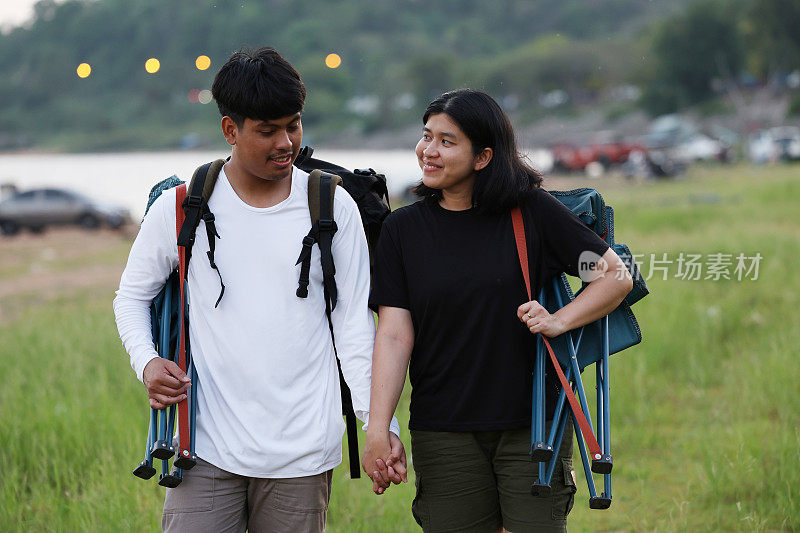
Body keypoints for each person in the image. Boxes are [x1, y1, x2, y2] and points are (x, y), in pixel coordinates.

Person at [113, 46, 403, 532]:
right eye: (268, 131)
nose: (286, 142)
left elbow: (353, 329)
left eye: (293, 125)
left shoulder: (333, 208)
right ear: (231, 129)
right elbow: (131, 296)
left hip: (304, 454)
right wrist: (146, 360)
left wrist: (380, 427)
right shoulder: (181, 206)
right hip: (203, 446)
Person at [362, 89, 633, 532]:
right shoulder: (402, 230)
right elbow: (393, 334)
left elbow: (611, 274)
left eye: (447, 142)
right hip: (444, 427)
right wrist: (378, 429)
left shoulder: (531, 215)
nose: (428, 151)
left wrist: (558, 320)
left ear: (484, 156)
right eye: (426, 136)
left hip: (533, 426)